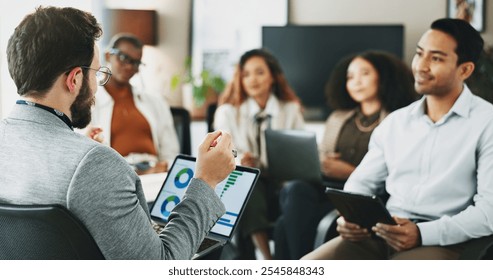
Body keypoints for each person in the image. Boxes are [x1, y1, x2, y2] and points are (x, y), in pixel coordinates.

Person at [0, 6, 236, 260]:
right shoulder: (96, 164)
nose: (96, 87)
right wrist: (206, 181)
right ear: (75, 79)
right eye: (96, 74)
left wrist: (82, 152)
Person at [303, 18, 493, 260]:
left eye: (435, 58)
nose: (421, 66)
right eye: (419, 54)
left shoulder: (487, 123)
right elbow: (361, 183)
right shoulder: (396, 122)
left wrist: (422, 233)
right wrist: (350, 216)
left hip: (445, 241)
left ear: (464, 70)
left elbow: (489, 212)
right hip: (382, 232)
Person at [274, 51, 418, 259]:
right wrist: (320, 162)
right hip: (328, 189)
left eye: (364, 74)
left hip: (366, 196)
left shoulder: (398, 121)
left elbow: (399, 173)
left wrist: (349, 172)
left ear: (384, 77)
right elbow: (323, 153)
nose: (356, 82)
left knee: (282, 225)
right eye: (350, 77)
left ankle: (301, 267)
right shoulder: (339, 117)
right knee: (295, 188)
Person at [214, 48, 305, 259]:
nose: (252, 79)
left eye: (259, 72)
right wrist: (238, 159)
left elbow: (300, 151)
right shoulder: (228, 112)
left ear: (273, 76)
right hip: (247, 181)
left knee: (297, 190)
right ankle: (267, 258)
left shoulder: (290, 109)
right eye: (246, 74)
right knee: (247, 182)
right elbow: (220, 152)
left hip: (282, 180)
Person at [87, 33, 179, 174]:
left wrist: (164, 170)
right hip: (118, 175)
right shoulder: (90, 102)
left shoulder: (155, 102)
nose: (129, 66)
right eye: (123, 58)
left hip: (156, 174)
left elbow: (170, 152)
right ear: (107, 56)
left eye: (136, 63)